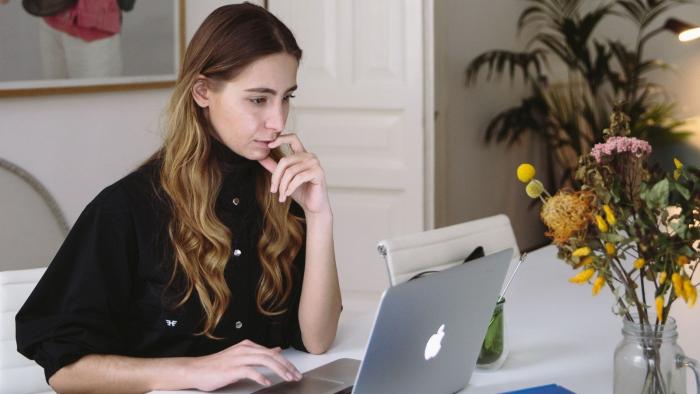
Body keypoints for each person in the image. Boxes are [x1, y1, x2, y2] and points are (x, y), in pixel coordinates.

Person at [15, 3, 342, 392]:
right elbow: (65, 370)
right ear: (203, 91)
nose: (277, 120)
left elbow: (316, 340)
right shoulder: (127, 208)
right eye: (258, 99)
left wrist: (319, 215)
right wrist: (193, 370)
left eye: (286, 97)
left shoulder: (279, 193)